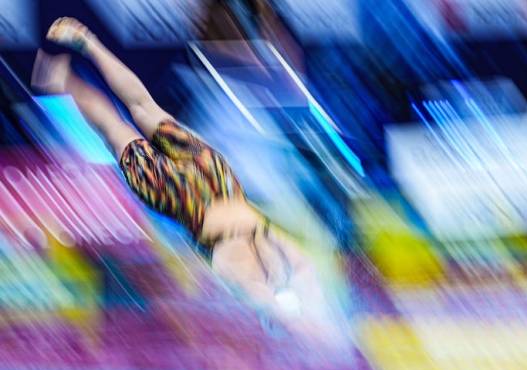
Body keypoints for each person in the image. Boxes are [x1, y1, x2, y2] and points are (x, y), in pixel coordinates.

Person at [32, 17, 320, 322]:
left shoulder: (278, 261)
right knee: (114, 126)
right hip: (183, 197)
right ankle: (65, 80)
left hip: (214, 179)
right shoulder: (257, 278)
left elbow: (298, 281)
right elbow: (279, 304)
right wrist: (292, 310)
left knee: (144, 106)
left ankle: (88, 45)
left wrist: (294, 296)